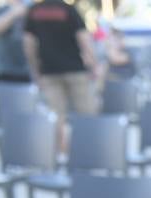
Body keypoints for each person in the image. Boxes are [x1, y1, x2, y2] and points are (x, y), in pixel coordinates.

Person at [23, 0, 99, 148]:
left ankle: (61, 155)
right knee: (87, 115)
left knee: (56, 118)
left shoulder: (34, 11)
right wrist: (94, 65)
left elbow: (28, 45)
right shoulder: (69, 10)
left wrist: (36, 70)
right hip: (76, 70)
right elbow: (84, 39)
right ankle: (89, 151)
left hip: (48, 71)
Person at [0, 0, 33, 84]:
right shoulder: (1, 9)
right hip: (4, 70)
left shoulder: (31, 9)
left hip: (28, 70)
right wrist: (14, 13)